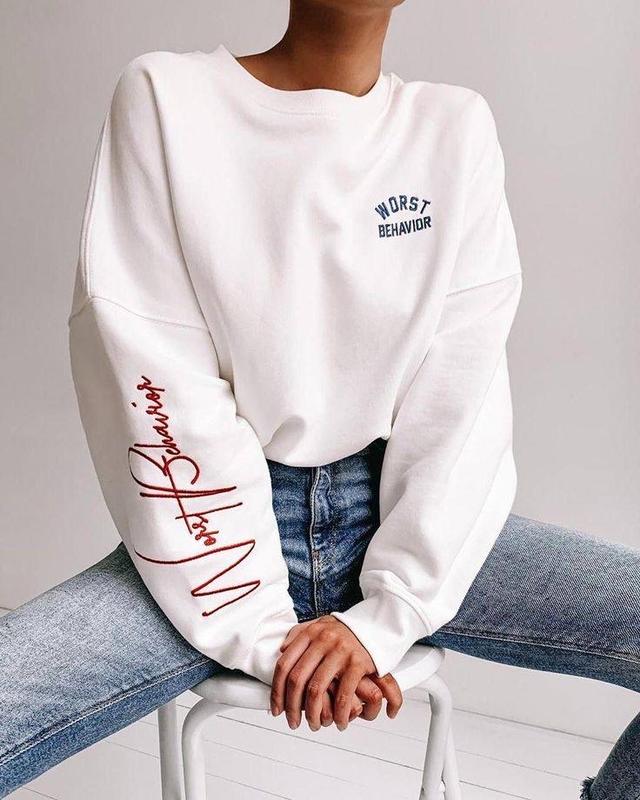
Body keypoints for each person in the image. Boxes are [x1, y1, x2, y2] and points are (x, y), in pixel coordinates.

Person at [0, 2, 638, 798]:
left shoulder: (453, 129)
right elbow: (153, 373)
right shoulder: (166, 99)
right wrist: (266, 633)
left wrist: (389, 617)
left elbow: (460, 403)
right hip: (210, 539)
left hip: (409, 523)